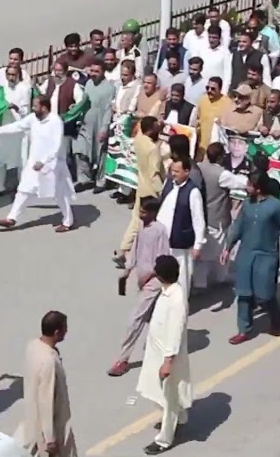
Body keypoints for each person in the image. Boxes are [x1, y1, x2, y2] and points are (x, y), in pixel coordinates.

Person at [223, 173, 280, 343]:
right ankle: (244, 329)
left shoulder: (275, 207)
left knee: (265, 294)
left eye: (249, 185)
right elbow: (237, 227)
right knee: (244, 293)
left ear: (258, 188)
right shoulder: (247, 205)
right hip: (246, 254)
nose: (246, 187)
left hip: (266, 256)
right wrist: (228, 248)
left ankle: (276, 320)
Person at [0, 95, 77, 233]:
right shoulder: (33, 118)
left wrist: (44, 161)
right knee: (23, 189)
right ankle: (11, 218)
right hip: (34, 162)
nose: (33, 108)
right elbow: (17, 126)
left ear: (44, 108)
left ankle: (68, 221)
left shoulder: (55, 122)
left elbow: (56, 146)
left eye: (35, 106)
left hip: (52, 164)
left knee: (59, 193)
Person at [108, 197, 172, 377]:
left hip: (153, 282)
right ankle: (164, 351)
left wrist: (150, 277)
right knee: (152, 318)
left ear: (153, 213)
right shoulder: (142, 228)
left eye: (144, 212)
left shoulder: (160, 231)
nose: (140, 214)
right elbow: (135, 250)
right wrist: (127, 272)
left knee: (135, 319)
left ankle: (122, 359)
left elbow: (162, 258)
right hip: (142, 280)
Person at [136, 255, 193, 454]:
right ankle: (181, 416)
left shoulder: (176, 299)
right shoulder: (168, 291)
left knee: (168, 397)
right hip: (158, 353)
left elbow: (175, 332)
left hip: (167, 356)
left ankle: (164, 439)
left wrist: (168, 361)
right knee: (163, 392)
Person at [18, 311, 78, 457]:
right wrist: (50, 438)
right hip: (51, 424)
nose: (66, 331)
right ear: (57, 332)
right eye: (65, 328)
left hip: (32, 417)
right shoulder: (48, 361)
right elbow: (46, 400)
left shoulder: (33, 346)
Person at [195, 143, 250, 290]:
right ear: (220, 157)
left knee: (206, 249)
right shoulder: (221, 174)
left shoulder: (198, 167)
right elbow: (241, 183)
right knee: (217, 249)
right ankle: (207, 281)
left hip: (200, 214)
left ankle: (208, 279)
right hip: (216, 217)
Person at [116, 116, 166, 267]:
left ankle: (123, 251)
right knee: (149, 225)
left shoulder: (139, 140)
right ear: (151, 130)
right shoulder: (152, 149)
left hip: (141, 185)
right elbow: (154, 174)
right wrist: (163, 192)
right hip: (151, 190)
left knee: (136, 219)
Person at [155, 157, 205, 302]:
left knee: (182, 276)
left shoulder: (193, 192)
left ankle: (180, 303)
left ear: (187, 172)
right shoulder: (169, 184)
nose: (173, 174)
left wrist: (198, 245)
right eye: (172, 171)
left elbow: (198, 219)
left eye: (177, 171)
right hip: (164, 240)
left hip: (180, 242)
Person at [0, 64, 33, 197]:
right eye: (9, 75)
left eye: (13, 75)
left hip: (19, 131)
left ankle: (23, 190)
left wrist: (15, 107)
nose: (11, 78)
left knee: (22, 161)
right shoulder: (1, 90)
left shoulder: (24, 90)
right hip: (6, 128)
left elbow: (26, 111)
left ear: (18, 75)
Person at [75, 60, 118, 194]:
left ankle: (101, 181)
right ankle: (84, 179)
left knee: (100, 154)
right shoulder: (88, 83)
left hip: (99, 125)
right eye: (91, 71)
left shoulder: (109, 88)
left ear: (103, 72)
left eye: (96, 72)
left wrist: (105, 128)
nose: (93, 74)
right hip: (85, 123)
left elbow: (108, 110)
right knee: (80, 151)